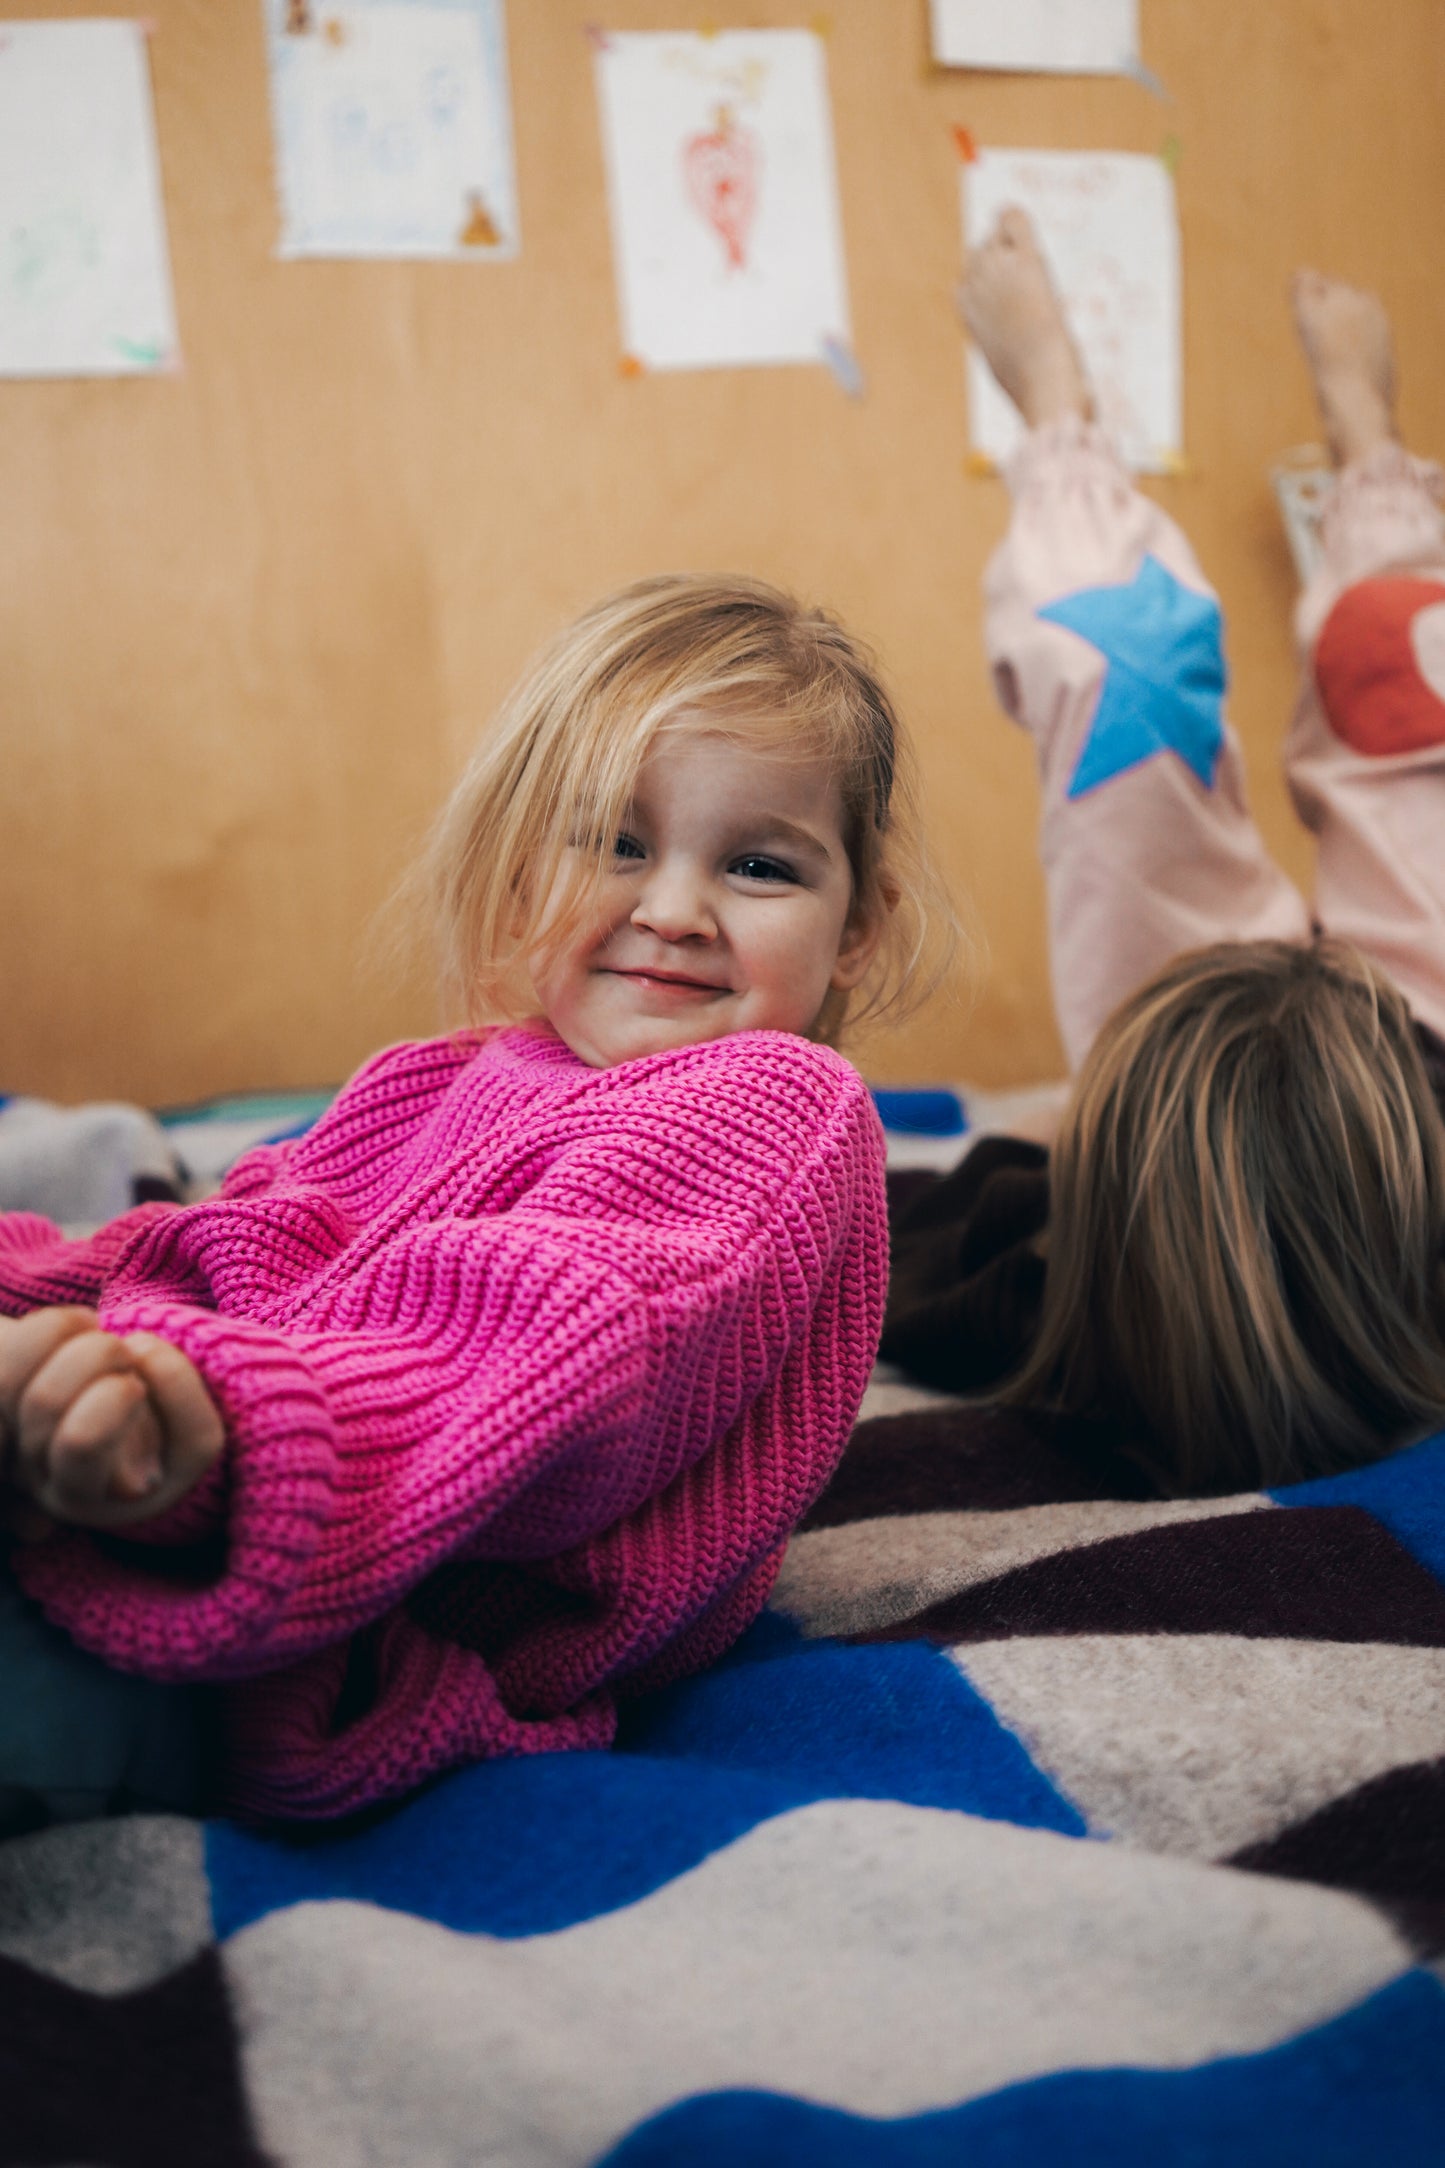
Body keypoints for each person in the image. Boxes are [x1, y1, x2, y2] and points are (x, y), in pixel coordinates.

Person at [0, 574, 949, 1821]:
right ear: (517, 869)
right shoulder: (452, 1073)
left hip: (321, 1639)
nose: (671, 911)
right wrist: (45, 1287)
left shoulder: (774, 1102)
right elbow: (239, 1237)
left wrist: (202, 1423)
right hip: (175, 1498)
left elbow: (535, 1348)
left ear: (858, 926)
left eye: (758, 864)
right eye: (616, 843)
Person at [883, 211, 1445, 1496]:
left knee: (1120, 676)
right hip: (1408, 1061)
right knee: (1399, 697)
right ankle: (1370, 453)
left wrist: (1055, 1132)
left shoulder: (1021, 1285)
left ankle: (1059, 417)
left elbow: (903, 1214)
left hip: (1210, 1077)